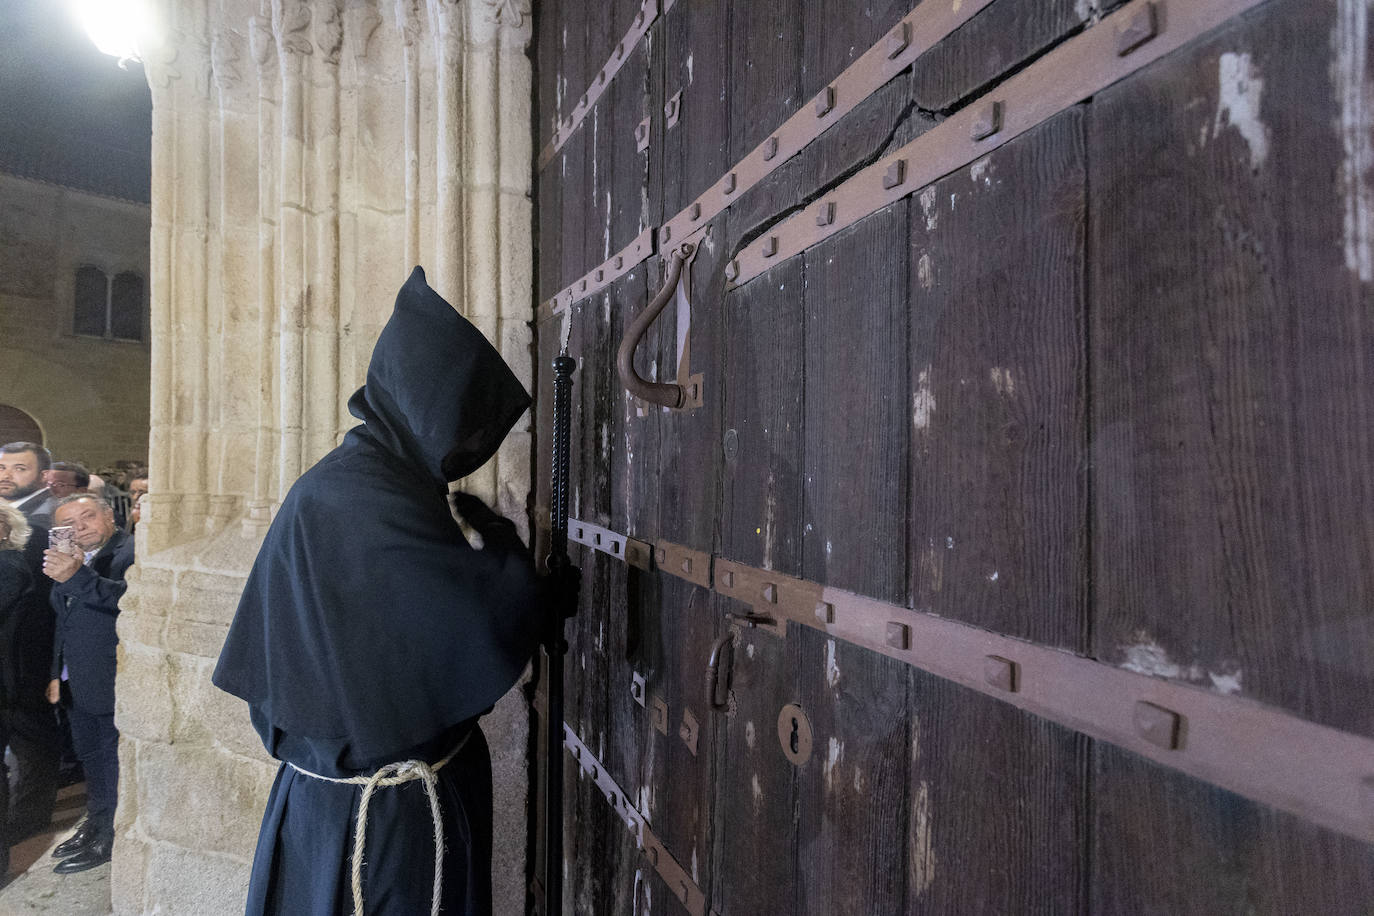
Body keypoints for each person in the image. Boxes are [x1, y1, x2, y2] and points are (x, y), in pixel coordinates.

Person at [213, 267, 546, 915]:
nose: (464, 450)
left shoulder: (369, 478)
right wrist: (509, 562)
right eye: (460, 426)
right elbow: (473, 627)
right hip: (378, 826)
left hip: (359, 809)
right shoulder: (362, 499)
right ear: (425, 406)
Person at [42, 494, 133, 874]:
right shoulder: (72, 557)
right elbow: (63, 619)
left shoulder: (130, 552)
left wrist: (77, 576)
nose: (79, 527)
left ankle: (110, 837)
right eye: (69, 523)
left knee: (113, 764)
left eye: (87, 517)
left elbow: (129, 600)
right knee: (91, 760)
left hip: (112, 676)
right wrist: (55, 673)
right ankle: (95, 822)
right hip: (77, 679)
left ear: (109, 517)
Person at [0, 443, 57, 530]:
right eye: (1, 468)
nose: (6, 476)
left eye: (19, 469)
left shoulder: (46, 515)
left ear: (44, 476)